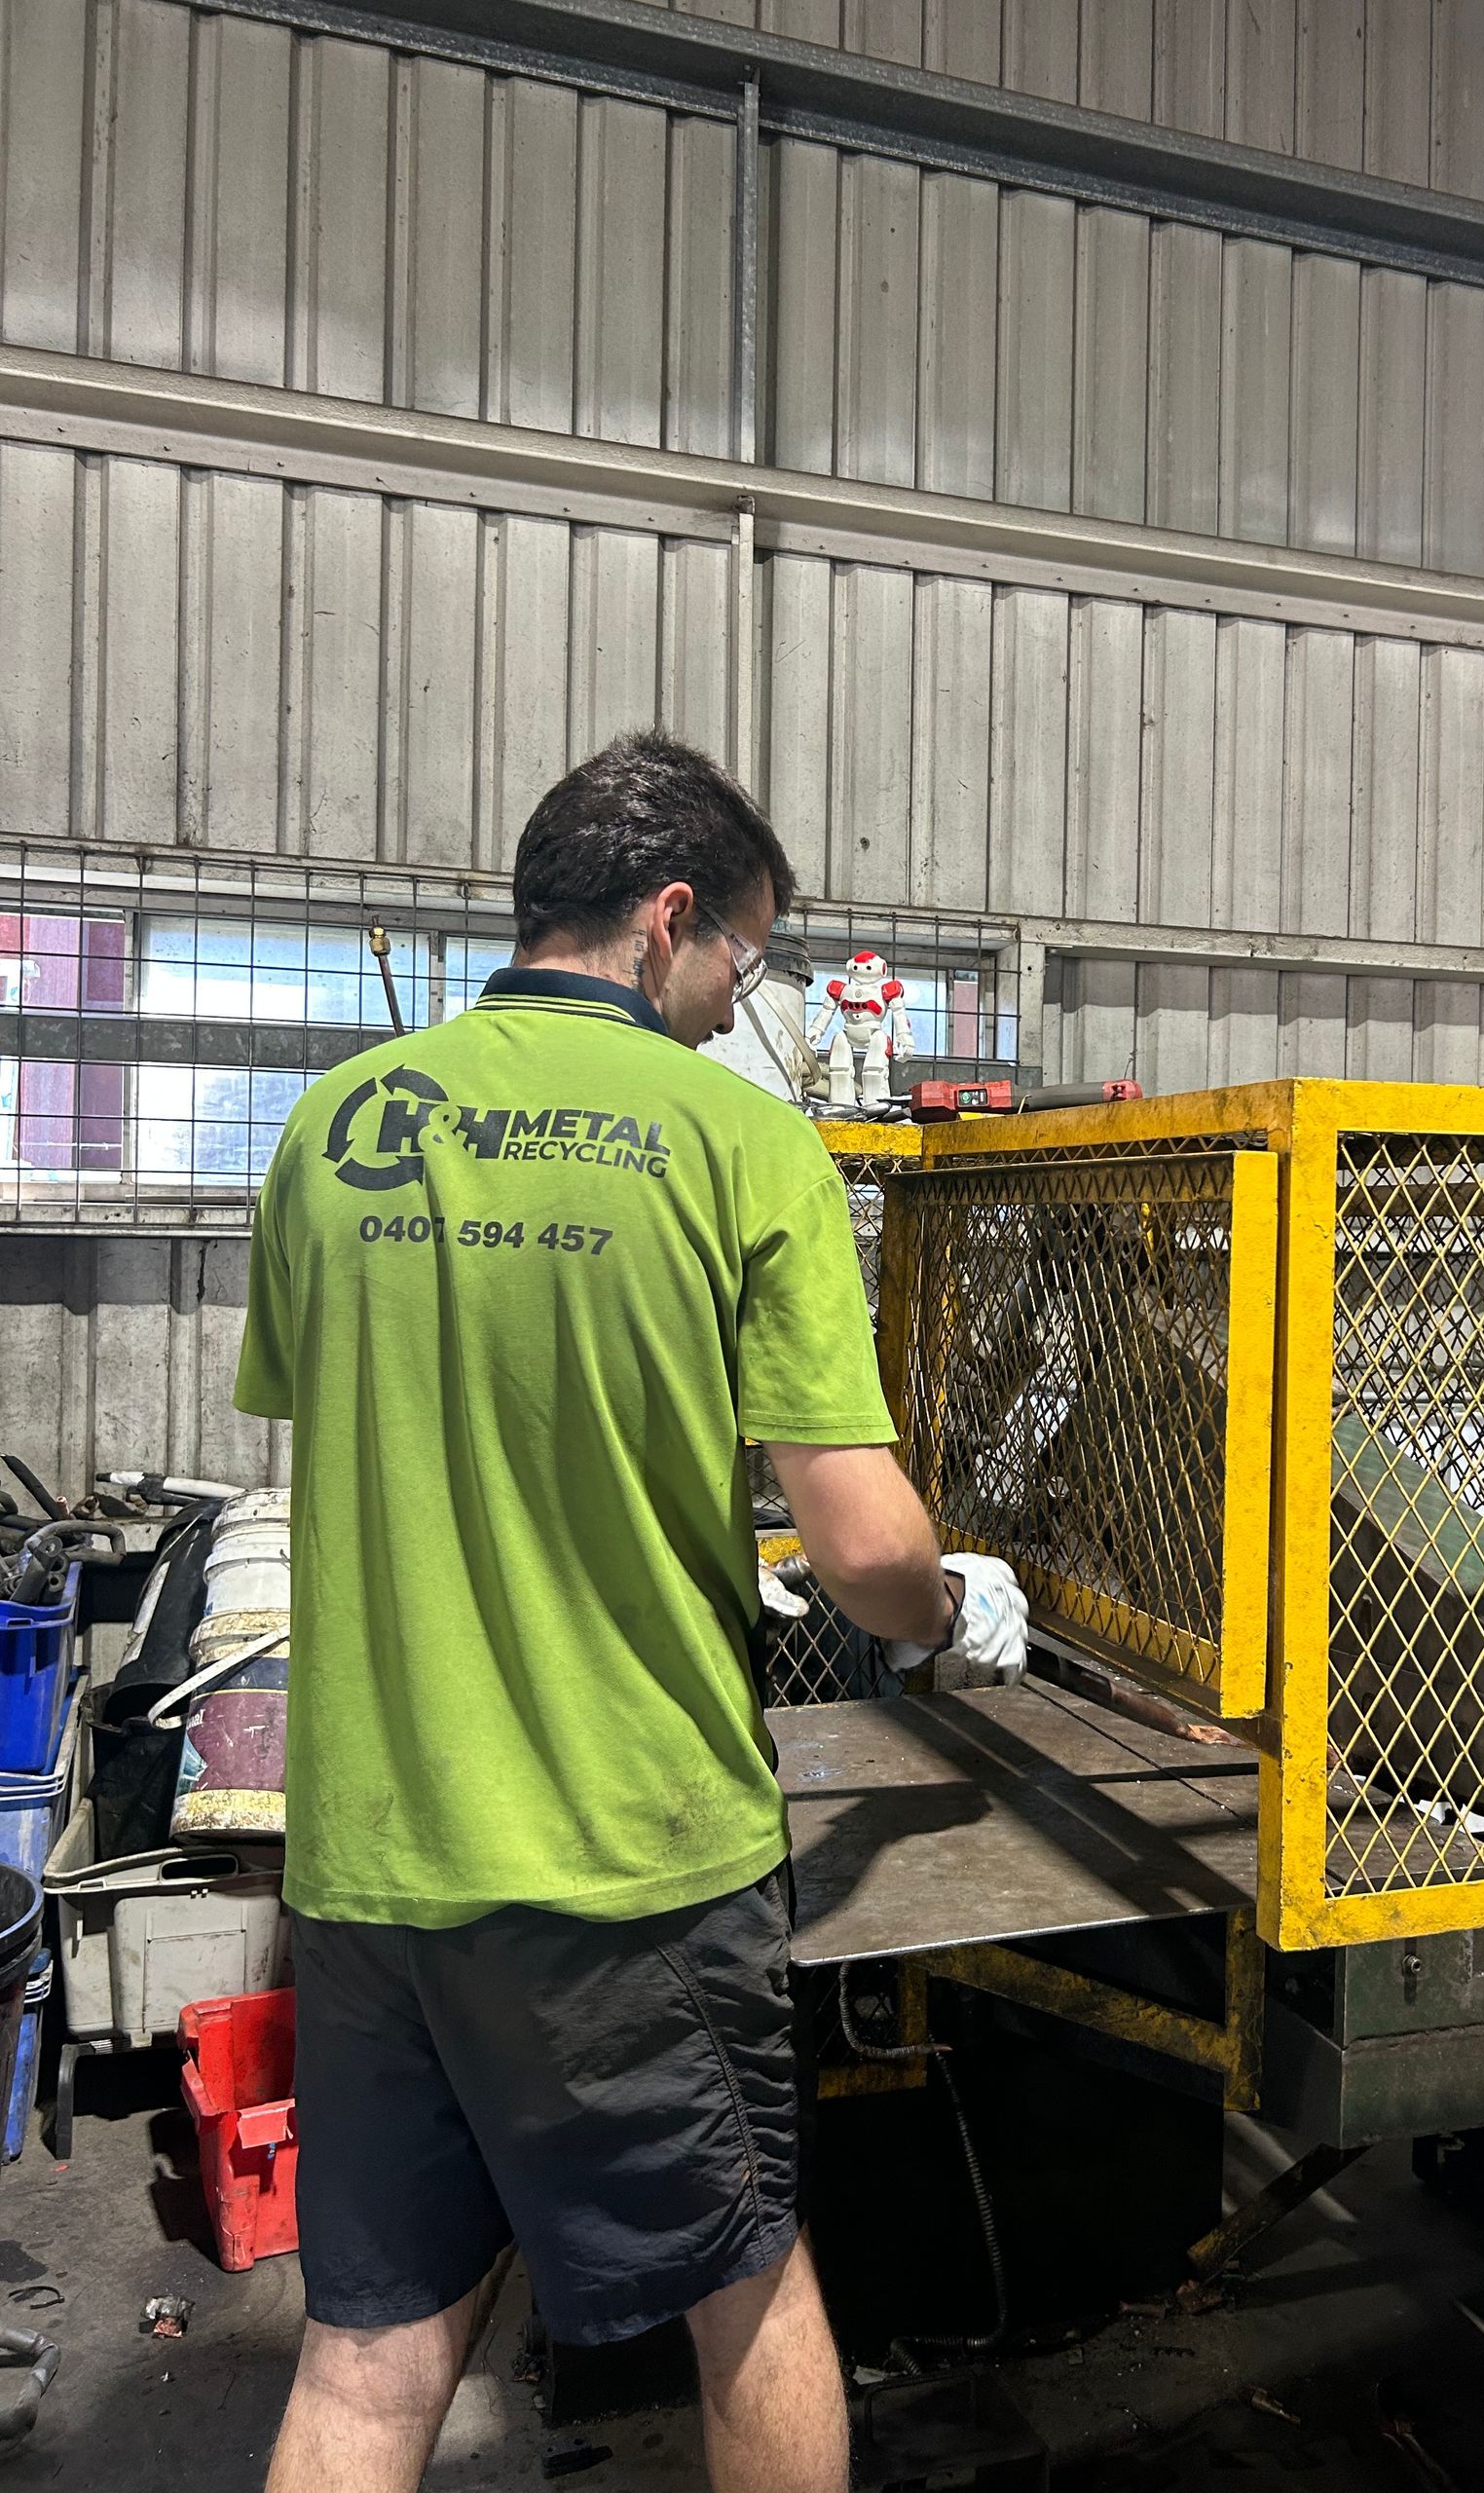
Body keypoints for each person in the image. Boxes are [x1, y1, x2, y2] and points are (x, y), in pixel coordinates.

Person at [236, 727, 1028, 2493]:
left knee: (371, 2350)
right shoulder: (740, 1145)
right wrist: (948, 1600)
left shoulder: (338, 1128)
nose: (743, 996)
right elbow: (859, 1545)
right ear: (670, 918)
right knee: (748, 2295)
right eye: (746, 953)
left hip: (372, 1859)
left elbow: (388, 1445)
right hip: (628, 1855)